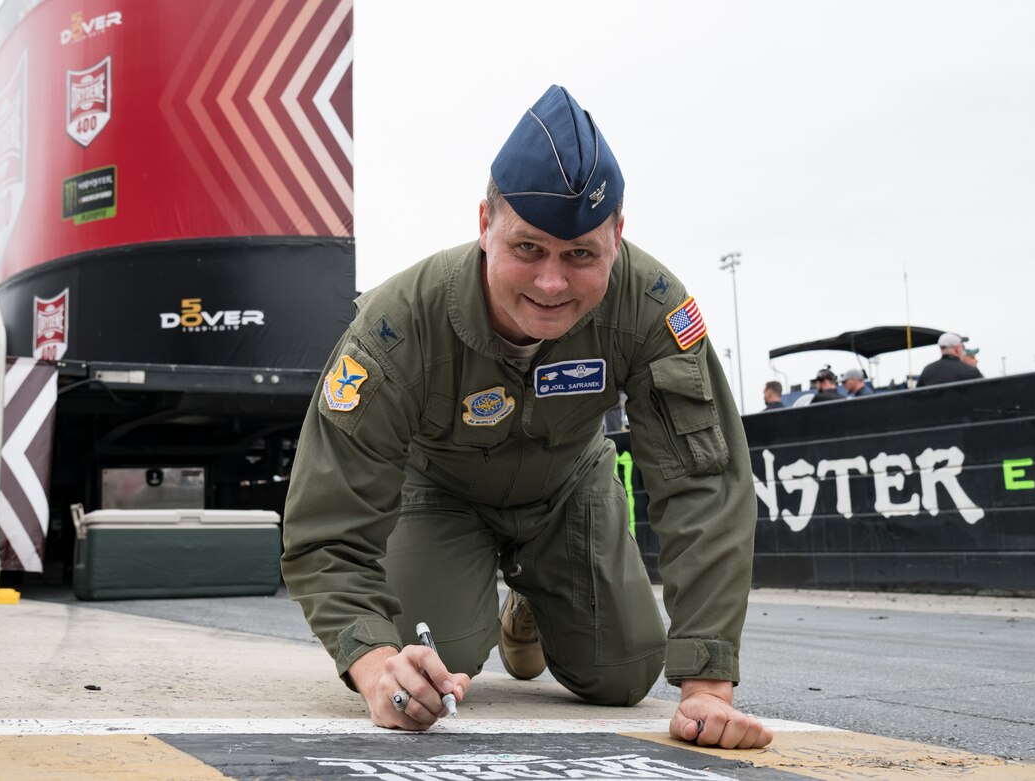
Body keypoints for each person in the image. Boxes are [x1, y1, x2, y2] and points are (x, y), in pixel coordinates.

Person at [281, 85, 772, 750]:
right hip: (442, 493)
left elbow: (706, 485)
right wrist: (372, 664)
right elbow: (325, 527)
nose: (551, 283)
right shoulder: (399, 328)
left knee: (624, 673)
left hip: (569, 488)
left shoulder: (651, 308)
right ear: (485, 223)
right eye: (529, 249)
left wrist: (708, 688)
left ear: (617, 238)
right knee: (437, 663)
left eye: (581, 255)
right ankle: (477, 599)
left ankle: (533, 600)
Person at [915, 332, 983, 387]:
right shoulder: (970, 371)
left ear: (941, 349)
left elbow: (917, 397)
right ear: (957, 349)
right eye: (963, 347)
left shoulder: (927, 370)